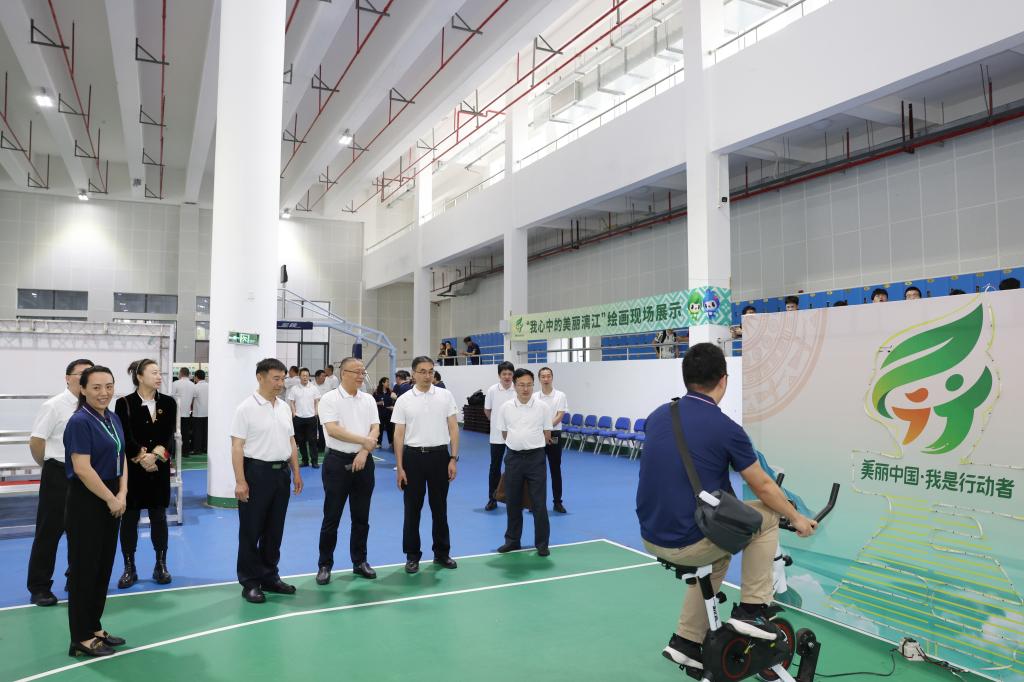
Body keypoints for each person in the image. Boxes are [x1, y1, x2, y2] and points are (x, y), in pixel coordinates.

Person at [636, 343, 817, 670]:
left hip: (650, 535)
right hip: (690, 541)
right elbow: (763, 486)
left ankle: (686, 641)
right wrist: (797, 517)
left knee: (717, 557)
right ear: (724, 379)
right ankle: (752, 610)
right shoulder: (726, 429)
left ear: (686, 378)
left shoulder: (658, 416)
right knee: (769, 516)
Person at [63, 365, 128, 657]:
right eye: (97, 387)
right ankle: (80, 636)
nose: (104, 393)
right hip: (88, 500)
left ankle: (94, 626)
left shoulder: (112, 418)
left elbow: (121, 456)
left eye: (109, 386)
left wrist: (122, 493)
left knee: (102, 567)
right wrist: (111, 498)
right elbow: (82, 468)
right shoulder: (79, 422)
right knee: (84, 570)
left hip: (112, 495)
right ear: (83, 389)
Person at [231, 358, 303, 604]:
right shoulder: (245, 408)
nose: (280, 383)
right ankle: (250, 582)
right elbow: (237, 446)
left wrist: (296, 472)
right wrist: (240, 481)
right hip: (256, 473)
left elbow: (291, 441)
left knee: (274, 530)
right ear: (260, 377)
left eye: (283, 379)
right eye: (276, 378)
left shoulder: (283, 407)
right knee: (251, 530)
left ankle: (269, 576)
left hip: (281, 474)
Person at [27, 358, 93, 607]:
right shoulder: (54, 406)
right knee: (49, 531)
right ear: (68, 378)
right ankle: (39, 586)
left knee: (83, 530)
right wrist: (49, 466)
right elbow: (37, 441)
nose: (86, 377)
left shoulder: (92, 407)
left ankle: (75, 578)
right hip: (58, 472)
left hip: (86, 474)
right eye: (81, 373)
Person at [393, 356, 460, 574]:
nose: (427, 375)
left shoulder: (445, 395)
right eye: (422, 371)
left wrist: (453, 458)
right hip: (413, 459)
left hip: (440, 457)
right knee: (412, 510)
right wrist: (400, 467)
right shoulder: (404, 400)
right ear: (413, 374)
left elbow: (453, 428)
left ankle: (442, 553)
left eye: (430, 371)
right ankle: (412, 556)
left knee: (440, 508)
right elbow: (399, 434)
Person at [113, 359, 177, 588]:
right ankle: (129, 567)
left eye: (160, 373)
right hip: (132, 471)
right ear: (139, 377)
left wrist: (155, 457)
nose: (159, 377)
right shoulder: (124, 403)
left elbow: (169, 436)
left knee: (159, 517)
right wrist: (141, 457)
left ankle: (161, 564)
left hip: (158, 469)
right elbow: (123, 435)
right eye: (153, 373)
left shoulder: (168, 403)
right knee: (129, 518)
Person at [315, 357, 379, 584]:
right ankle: (324, 564)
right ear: (344, 373)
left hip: (364, 462)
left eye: (363, 372)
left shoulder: (368, 399)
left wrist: (364, 452)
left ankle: (360, 561)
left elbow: (375, 427)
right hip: (337, 463)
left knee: (361, 517)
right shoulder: (329, 399)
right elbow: (333, 430)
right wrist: (365, 442)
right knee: (331, 517)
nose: (361, 376)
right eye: (357, 372)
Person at [495, 368, 553, 556]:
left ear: (533, 385)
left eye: (529, 385)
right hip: (513, 459)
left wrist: (530, 444)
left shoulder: (543, 407)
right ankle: (512, 541)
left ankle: (542, 544)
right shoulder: (506, 408)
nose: (525, 389)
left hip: (536, 459)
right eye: (521, 385)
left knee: (539, 503)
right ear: (514, 385)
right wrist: (518, 444)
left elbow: (547, 433)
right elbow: (504, 433)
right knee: (513, 502)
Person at [483, 361, 516, 511]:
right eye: (504, 374)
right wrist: (497, 423)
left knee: (515, 468)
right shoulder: (492, 390)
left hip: (516, 436)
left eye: (510, 374)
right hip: (496, 437)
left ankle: (516, 499)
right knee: (495, 467)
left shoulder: (517, 389)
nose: (507, 377)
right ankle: (493, 498)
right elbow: (487, 411)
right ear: (499, 375)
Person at [535, 367, 568, 514]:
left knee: (555, 469)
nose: (546, 379)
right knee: (537, 471)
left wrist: (547, 428)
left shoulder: (560, 395)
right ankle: (535, 503)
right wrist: (542, 430)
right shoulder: (534, 397)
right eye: (543, 376)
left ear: (552, 377)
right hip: (538, 435)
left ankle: (557, 502)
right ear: (539, 379)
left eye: (548, 376)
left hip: (554, 435)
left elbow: (559, 415)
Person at [288, 368, 321, 468]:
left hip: (311, 417)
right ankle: (305, 461)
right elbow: (292, 402)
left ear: (308, 376)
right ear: (300, 376)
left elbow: (317, 401)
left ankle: (314, 461)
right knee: (301, 441)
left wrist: (316, 412)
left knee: (312, 441)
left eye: (307, 375)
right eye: (303, 375)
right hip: (298, 418)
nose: (305, 377)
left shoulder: (314, 388)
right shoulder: (294, 388)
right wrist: (294, 413)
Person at [171, 367, 196, 456]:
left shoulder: (175, 383)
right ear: (188, 374)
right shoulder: (193, 385)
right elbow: (193, 399)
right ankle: (185, 452)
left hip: (176, 413)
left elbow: (171, 398)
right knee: (185, 433)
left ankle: (175, 452)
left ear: (181, 373)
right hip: (186, 412)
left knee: (175, 433)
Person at [373, 377, 396, 449]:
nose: (388, 383)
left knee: (390, 429)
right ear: (383, 383)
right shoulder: (376, 392)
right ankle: (378, 443)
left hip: (389, 414)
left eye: (388, 382)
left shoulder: (390, 392)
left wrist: (392, 405)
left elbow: (394, 401)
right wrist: (378, 403)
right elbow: (372, 403)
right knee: (380, 429)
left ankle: (391, 443)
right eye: (387, 382)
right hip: (380, 414)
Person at [192, 370, 209, 454]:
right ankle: (205, 448)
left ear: (196, 377)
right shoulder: (209, 386)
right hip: (208, 413)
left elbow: (192, 399)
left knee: (198, 432)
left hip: (198, 413)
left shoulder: (195, 387)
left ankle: (197, 449)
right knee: (206, 432)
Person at [314, 370, 330, 454]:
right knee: (313, 430)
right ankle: (313, 447)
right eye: (322, 376)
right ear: (317, 377)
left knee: (322, 429)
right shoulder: (311, 386)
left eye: (325, 376)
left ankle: (321, 446)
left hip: (324, 411)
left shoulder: (327, 385)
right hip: (312, 411)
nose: (324, 378)